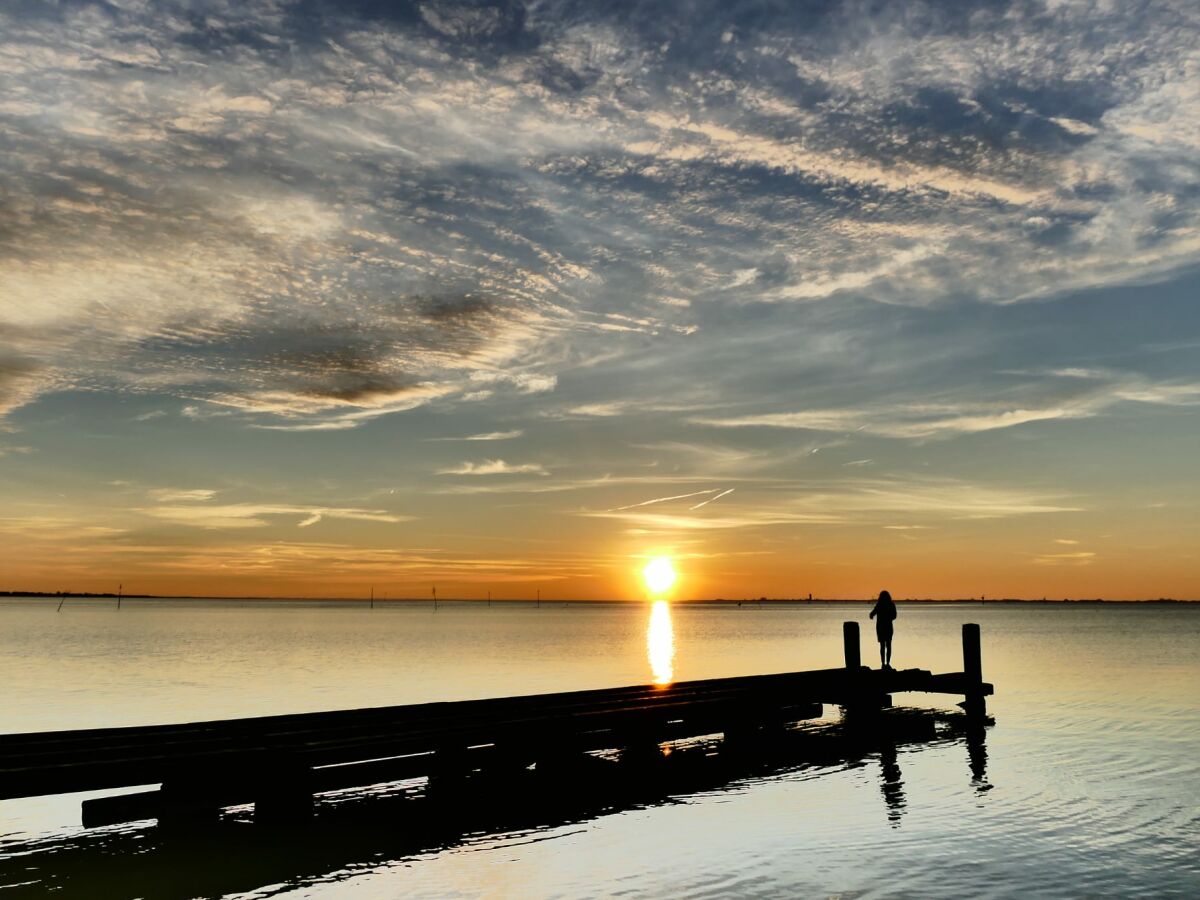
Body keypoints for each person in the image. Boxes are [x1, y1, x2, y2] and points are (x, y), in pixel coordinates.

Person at [869, 590, 897, 669]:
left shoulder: (880, 604)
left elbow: (871, 614)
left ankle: (883, 664)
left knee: (883, 646)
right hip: (887, 627)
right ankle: (887, 663)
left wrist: (872, 615)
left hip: (881, 627)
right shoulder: (890, 604)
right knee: (888, 645)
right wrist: (888, 618)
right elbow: (894, 616)